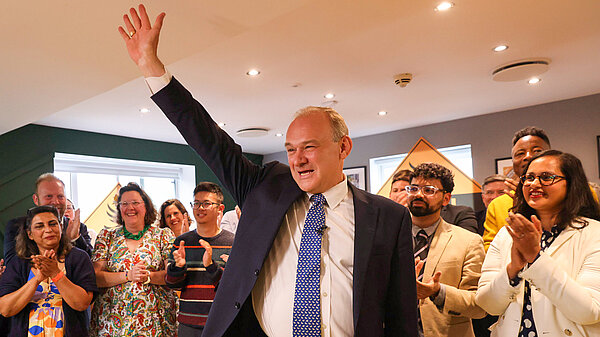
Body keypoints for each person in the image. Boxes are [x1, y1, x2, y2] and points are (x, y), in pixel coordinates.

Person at [118, 5, 417, 336]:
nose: (298, 159)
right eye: (291, 149)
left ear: (343, 147)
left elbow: (402, 315)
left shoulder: (388, 218)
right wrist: (151, 66)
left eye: (310, 147)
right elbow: (207, 137)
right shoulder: (266, 186)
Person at [476, 150, 600, 336]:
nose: (534, 184)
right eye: (529, 177)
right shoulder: (507, 233)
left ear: (572, 183)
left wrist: (536, 259)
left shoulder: (594, 233)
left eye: (546, 177)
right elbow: (487, 305)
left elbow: (589, 312)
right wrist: (512, 270)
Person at [407, 163, 485, 336]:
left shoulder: (469, 241)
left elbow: (479, 306)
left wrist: (438, 292)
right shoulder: (387, 237)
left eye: (429, 190)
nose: (418, 194)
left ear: (446, 198)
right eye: (413, 189)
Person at [90, 183, 177, 336]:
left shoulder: (163, 235)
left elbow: (171, 275)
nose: (130, 207)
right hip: (112, 324)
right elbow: (96, 277)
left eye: (135, 203)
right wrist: (127, 276)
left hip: (155, 322)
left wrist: (148, 277)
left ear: (146, 207)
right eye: (124, 203)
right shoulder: (106, 237)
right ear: (119, 209)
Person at [0, 205, 98, 336]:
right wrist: (37, 280)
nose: (48, 230)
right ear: (30, 234)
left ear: (61, 227)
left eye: (53, 224)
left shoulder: (78, 258)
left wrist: (55, 274)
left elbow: (82, 303)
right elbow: (6, 309)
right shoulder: (19, 262)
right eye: (39, 226)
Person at [166, 182, 234, 336]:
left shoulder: (233, 242)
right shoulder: (182, 242)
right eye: (196, 203)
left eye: (206, 203)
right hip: (189, 323)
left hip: (222, 321)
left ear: (220, 209)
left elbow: (233, 286)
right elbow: (172, 284)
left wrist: (210, 266)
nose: (200, 208)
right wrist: (178, 267)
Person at [4, 173, 93, 263]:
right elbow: (11, 265)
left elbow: (90, 264)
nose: (55, 202)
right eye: (49, 196)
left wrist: (74, 239)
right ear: (36, 199)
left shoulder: (78, 228)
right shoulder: (17, 226)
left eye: (60, 196)